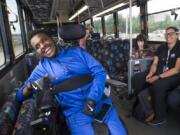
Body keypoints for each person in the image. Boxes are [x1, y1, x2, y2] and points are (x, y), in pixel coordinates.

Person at [16, 29, 127, 135]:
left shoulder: (77, 52)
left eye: (44, 40)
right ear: (37, 52)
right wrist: (29, 87)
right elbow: (19, 96)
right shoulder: (42, 68)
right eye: (37, 47)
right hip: (76, 112)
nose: (43, 46)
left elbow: (100, 72)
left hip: (99, 102)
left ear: (52, 39)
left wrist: (93, 98)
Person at [132, 26, 180, 125]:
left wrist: (158, 77)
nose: (168, 36)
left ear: (177, 35)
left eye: (171, 33)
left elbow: (176, 69)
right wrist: (150, 74)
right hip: (159, 71)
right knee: (138, 78)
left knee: (158, 85)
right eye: (166, 34)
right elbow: (155, 63)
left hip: (174, 75)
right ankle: (140, 104)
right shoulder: (162, 47)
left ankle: (160, 117)